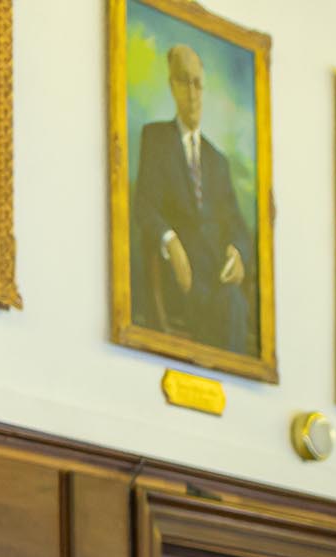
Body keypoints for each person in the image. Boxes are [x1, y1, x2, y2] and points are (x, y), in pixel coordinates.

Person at [130, 41, 254, 353]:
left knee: (234, 305)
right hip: (176, 278)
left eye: (198, 83)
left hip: (217, 279)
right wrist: (170, 242)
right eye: (184, 81)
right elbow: (144, 206)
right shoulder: (155, 140)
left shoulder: (217, 160)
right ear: (172, 86)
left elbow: (237, 223)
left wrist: (238, 253)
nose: (193, 92)